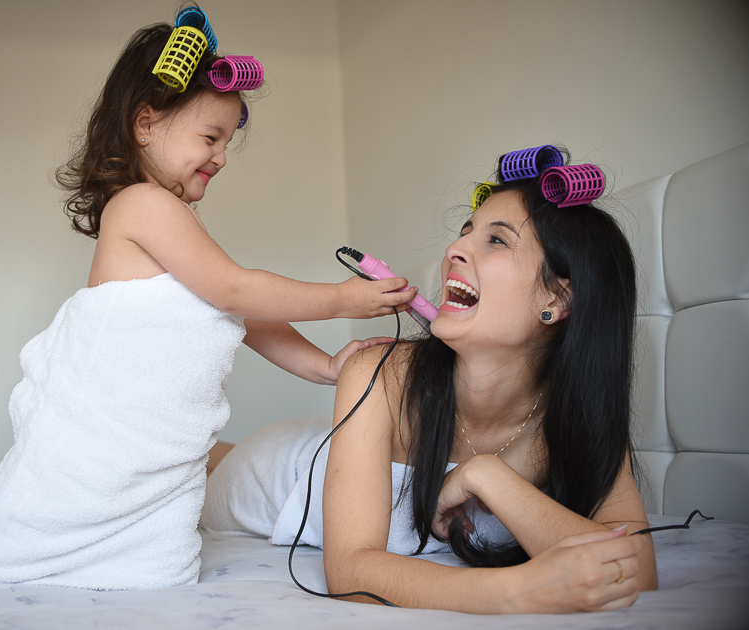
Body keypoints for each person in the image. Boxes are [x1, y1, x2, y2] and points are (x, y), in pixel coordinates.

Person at [0, 9, 415, 591]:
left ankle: (121, 547)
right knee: (46, 520)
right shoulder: (141, 204)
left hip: (153, 457)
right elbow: (235, 289)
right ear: (145, 123)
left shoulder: (173, 219)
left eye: (227, 142)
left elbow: (241, 312)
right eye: (209, 137)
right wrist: (342, 298)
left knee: (154, 562)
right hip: (105, 442)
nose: (220, 156)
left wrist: (326, 366)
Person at [202, 147, 658, 613]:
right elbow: (349, 572)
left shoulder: (576, 412)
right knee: (195, 467)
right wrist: (516, 590)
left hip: (338, 440)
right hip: (279, 474)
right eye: (466, 231)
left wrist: (487, 475)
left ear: (557, 300)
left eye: (496, 240)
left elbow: (637, 568)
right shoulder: (378, 372)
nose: (453, 250)